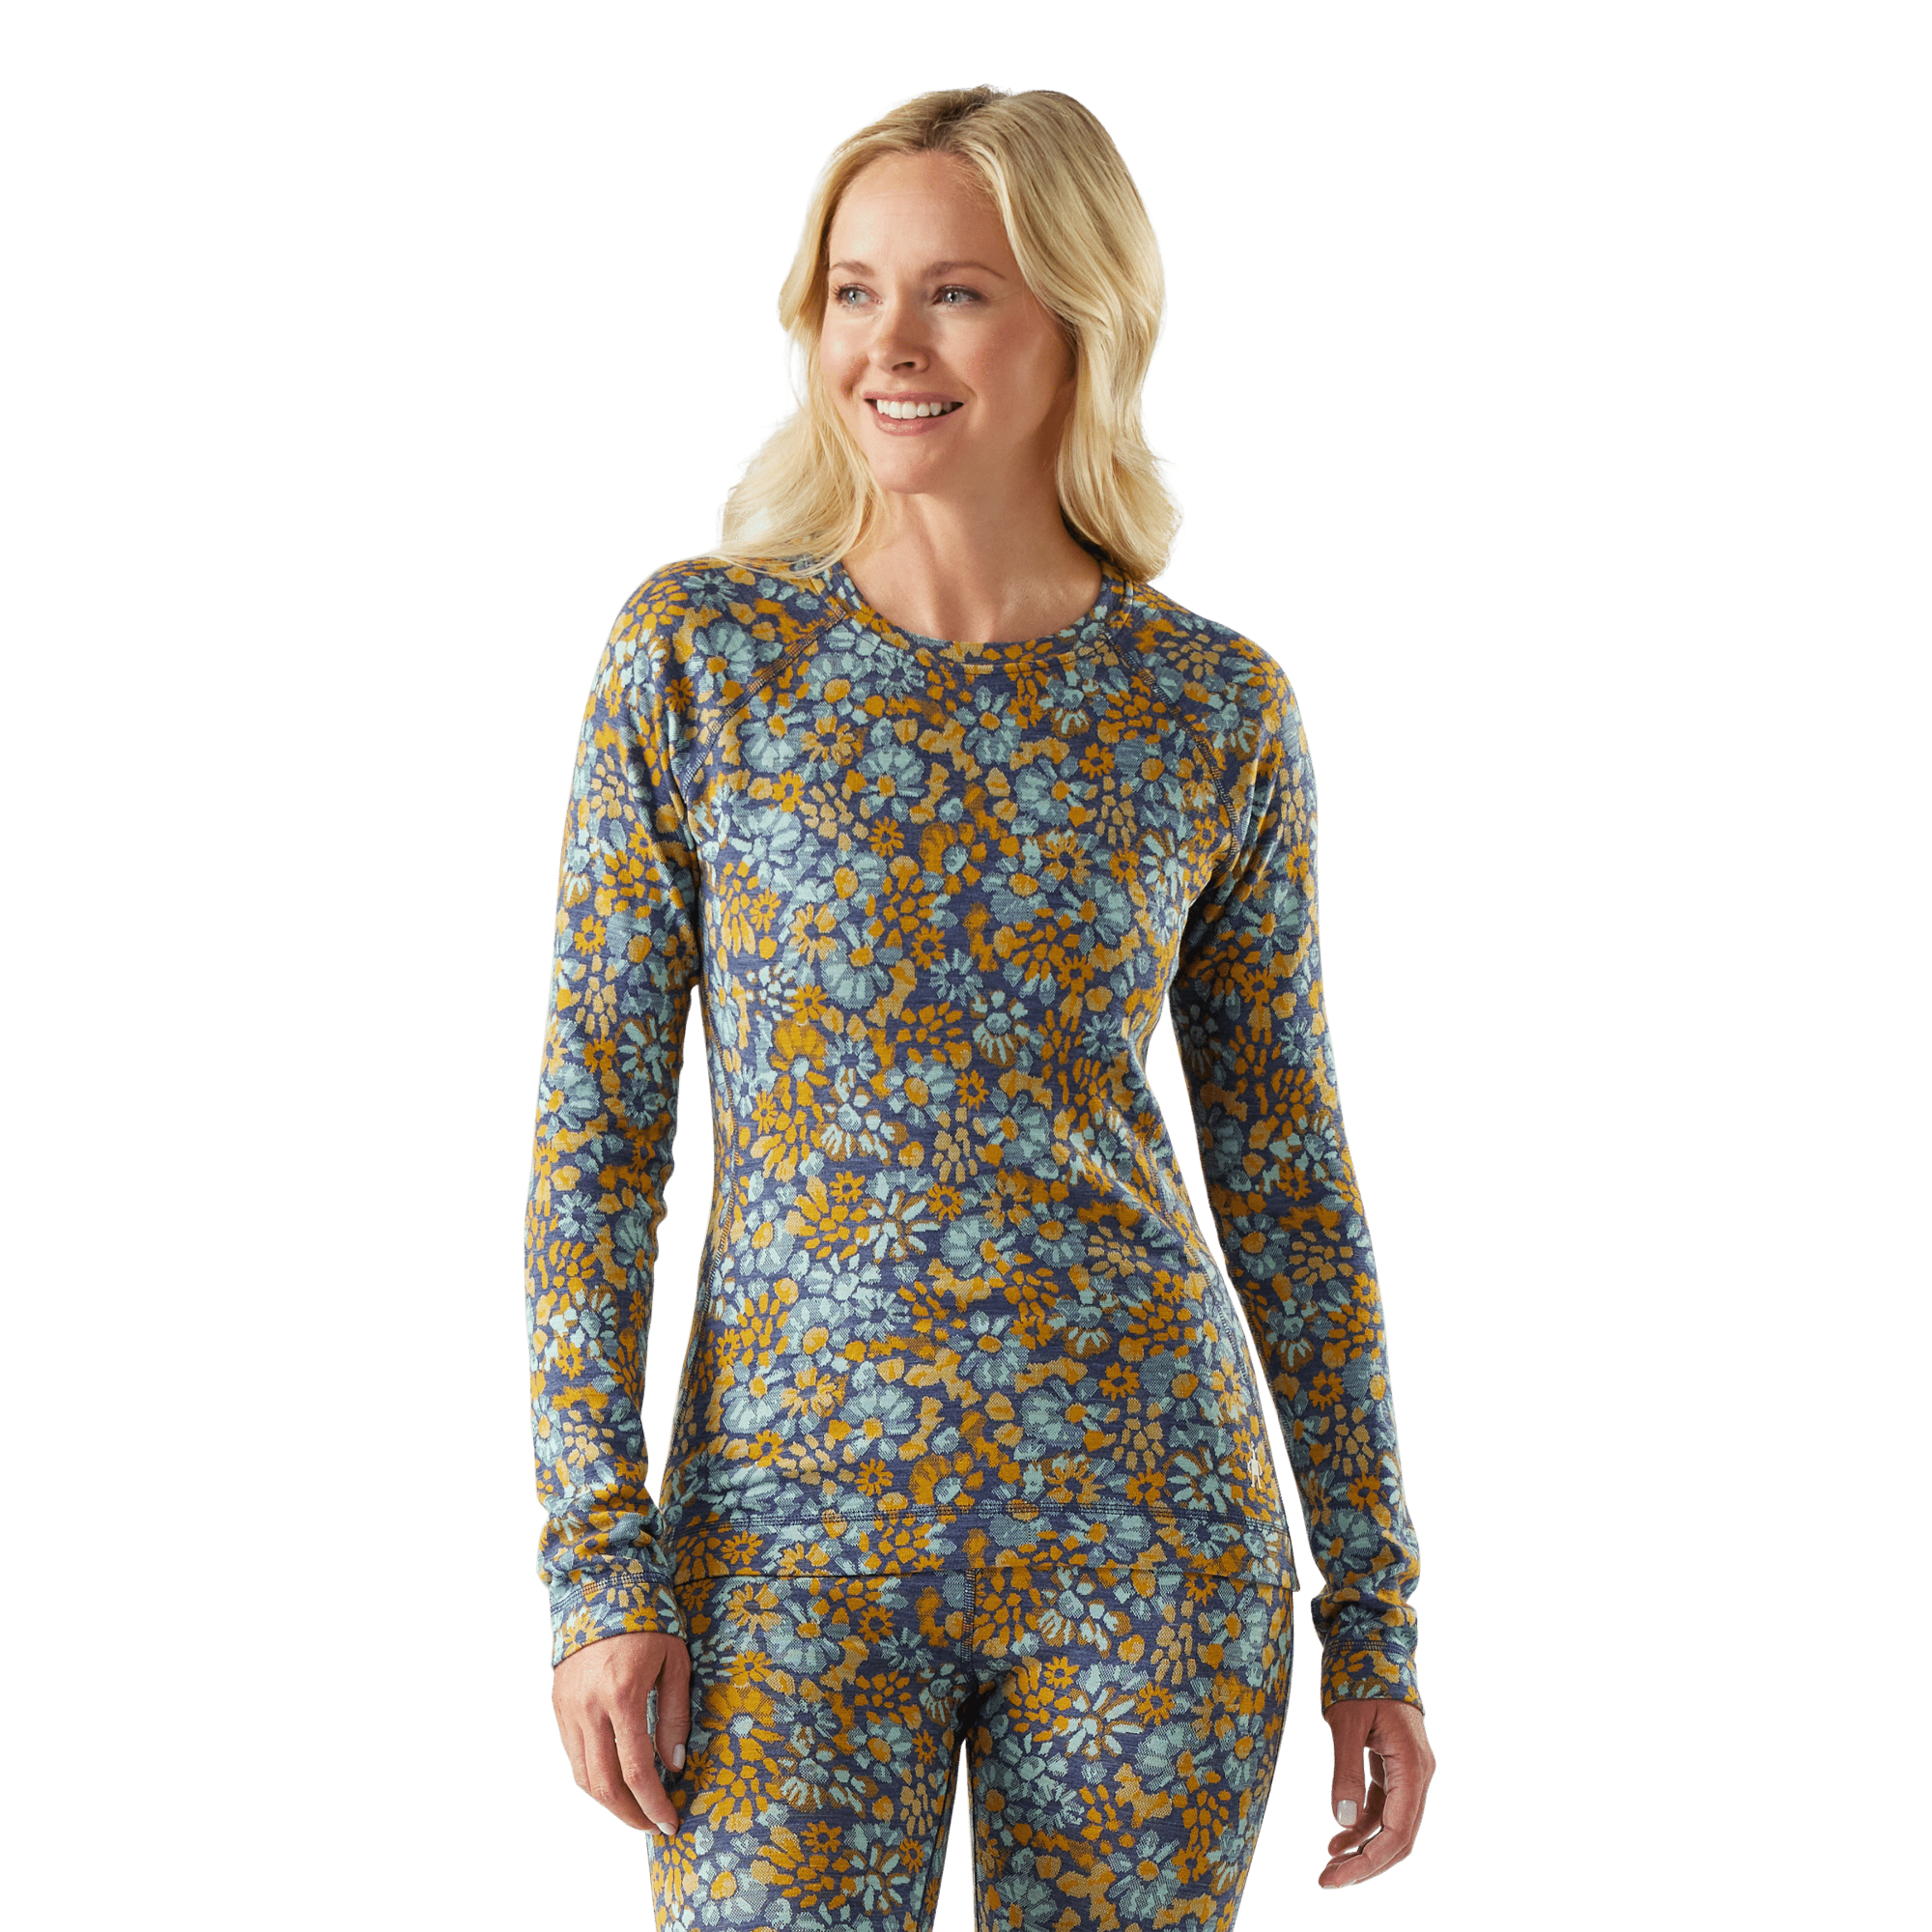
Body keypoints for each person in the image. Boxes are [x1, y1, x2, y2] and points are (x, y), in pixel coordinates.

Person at [524, 84, 1438, 1924]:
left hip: (1152, 1535)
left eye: (955, 292)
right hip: (777, 1548)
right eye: (851, 291)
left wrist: (1376, 1615)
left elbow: (1289, 1181)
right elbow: (598, 1146)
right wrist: (595, 1571)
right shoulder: (698, 657)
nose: (889, 345)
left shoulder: (1213, 706)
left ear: (1081, 323)